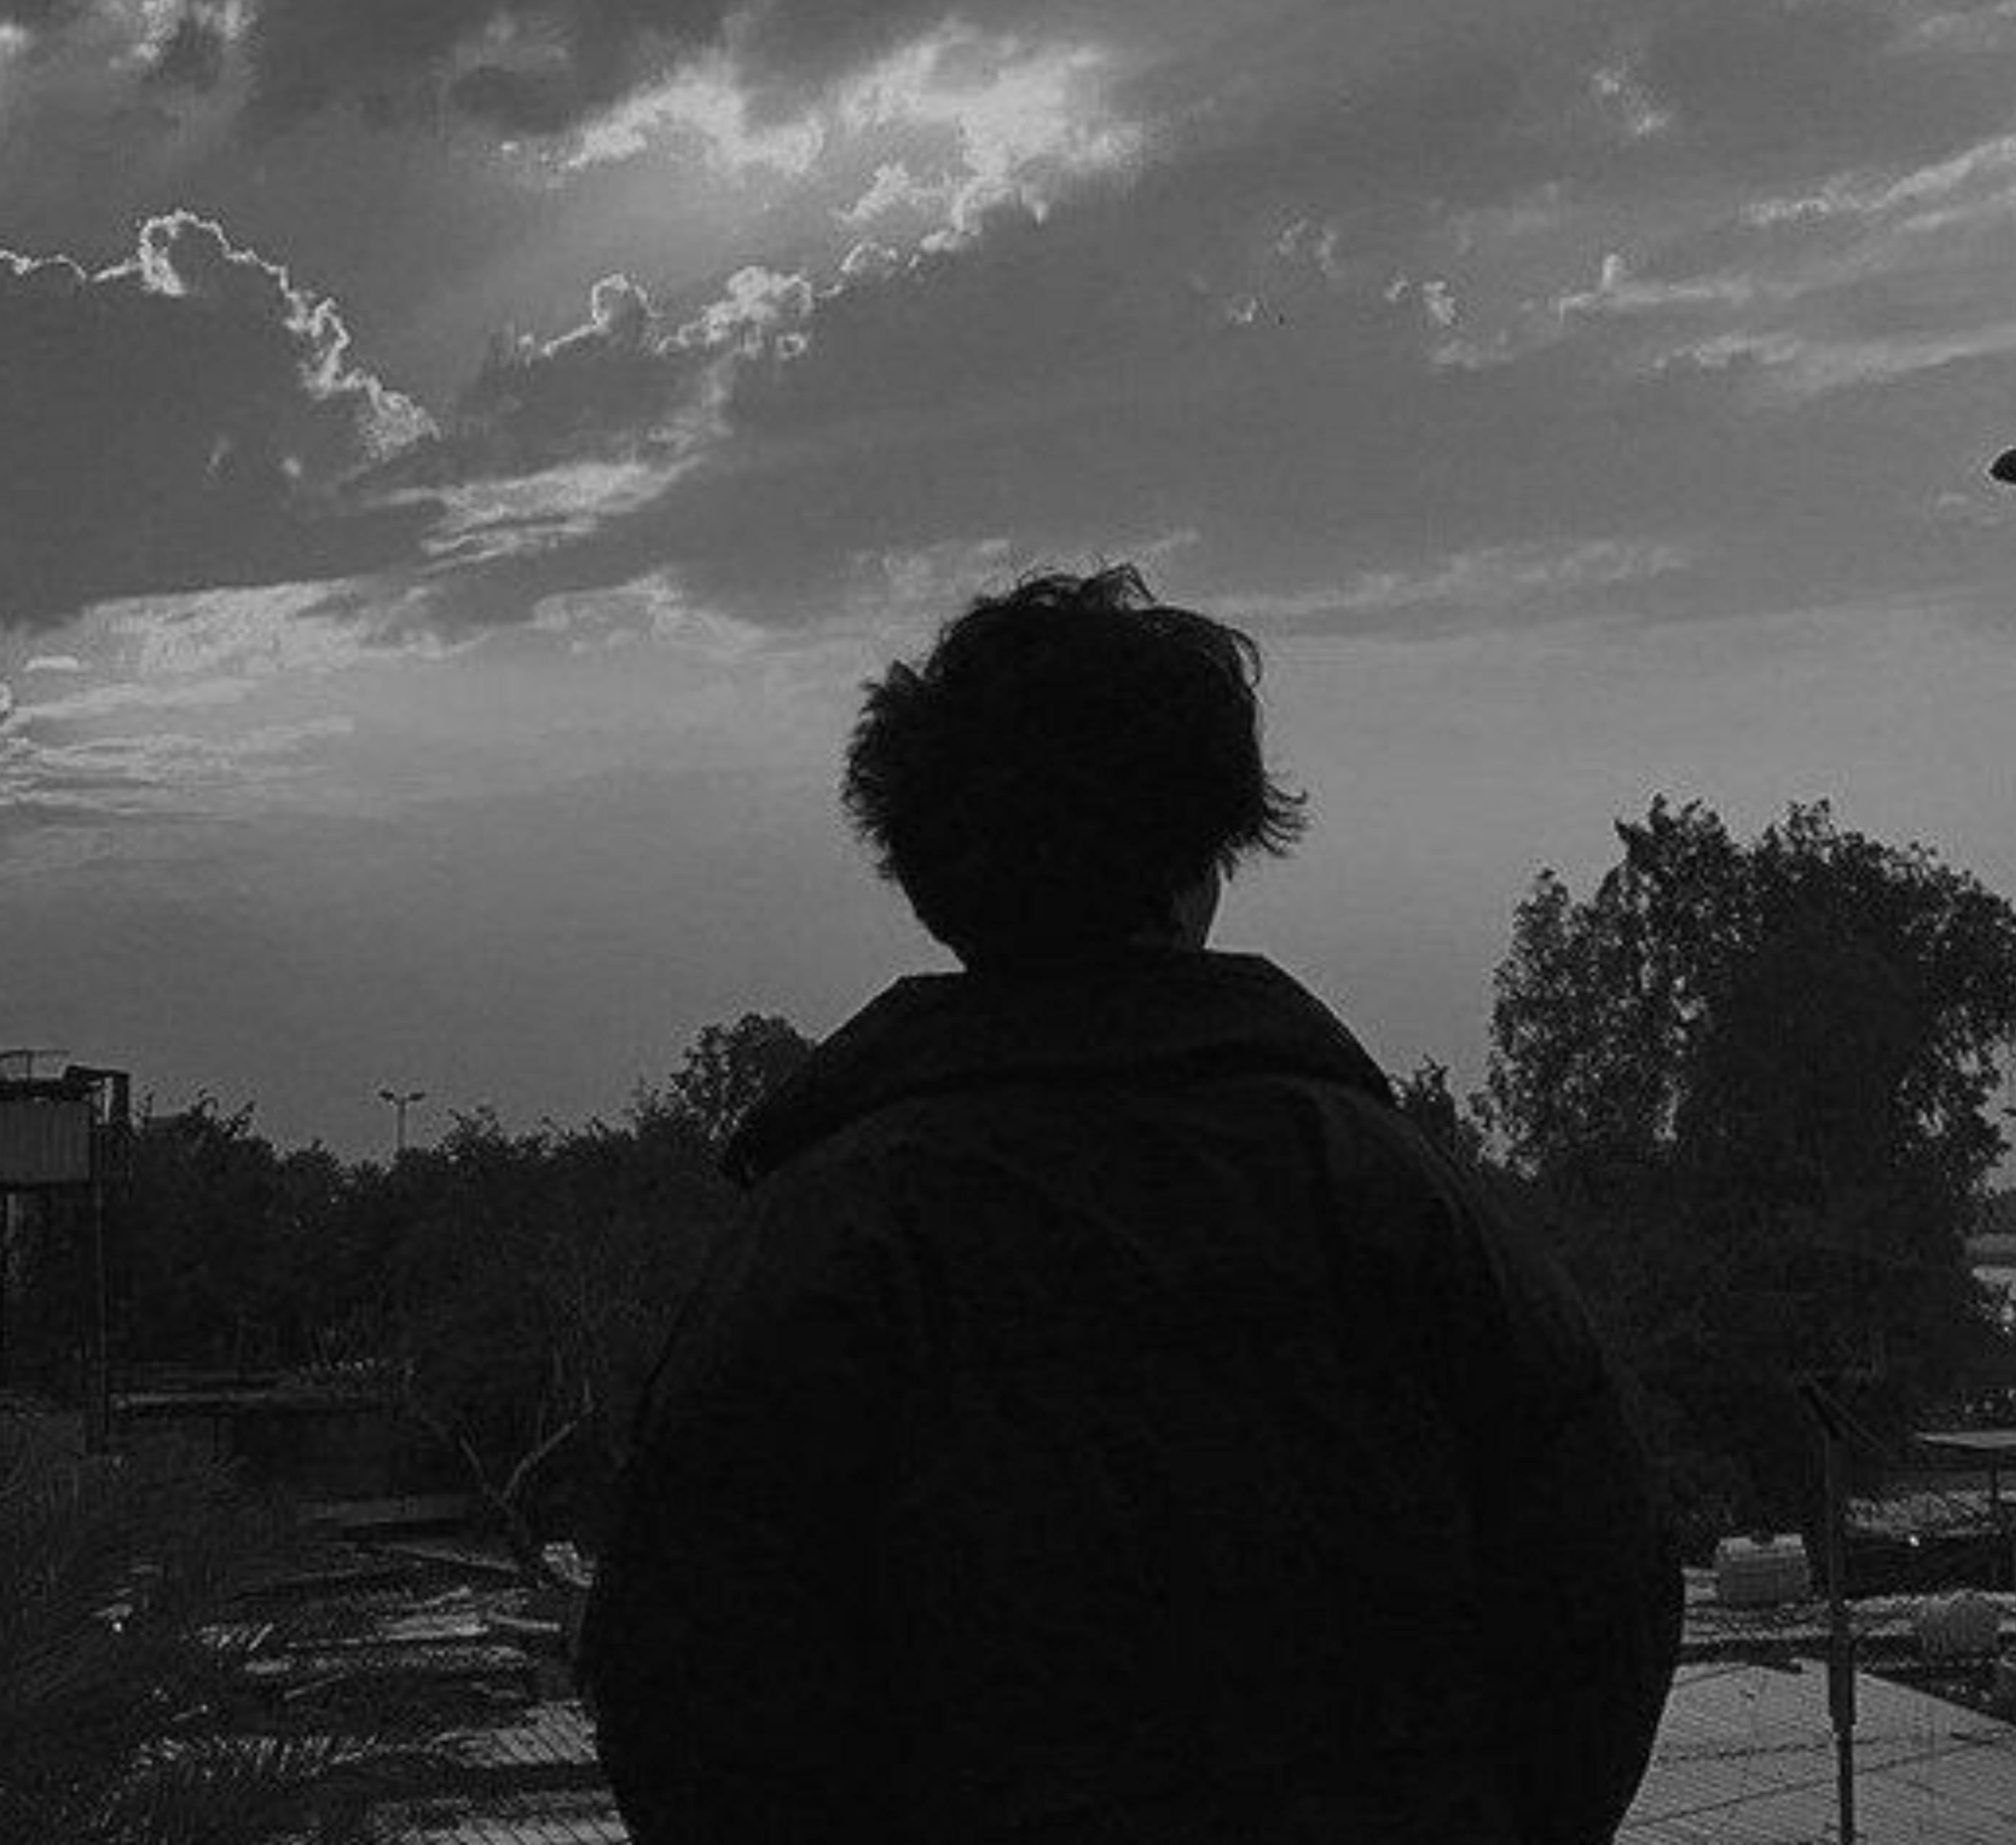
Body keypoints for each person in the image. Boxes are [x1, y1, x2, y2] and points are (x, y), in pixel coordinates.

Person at [581, 566, 1683, 1845]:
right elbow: (1604, 1605)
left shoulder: (822, 1244)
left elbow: (685, 1691)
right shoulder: (1402, 1203)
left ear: (931, 875)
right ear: (1204, 865)